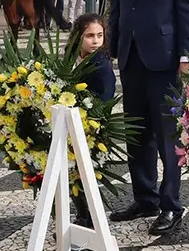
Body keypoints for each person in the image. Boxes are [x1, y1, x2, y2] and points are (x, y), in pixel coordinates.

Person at [106, 0, 189, 235]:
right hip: (130, 57)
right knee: (137, 134)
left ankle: (171, 204)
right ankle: (145, 197)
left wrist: (186, 54)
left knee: (167, 136)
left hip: (165, 58)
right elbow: (118, 4)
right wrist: (112, 45)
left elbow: (186, 6)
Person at [66, 12, 116, 229]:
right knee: (72, 172)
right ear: (78, 37)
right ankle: (81, 213)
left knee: (86, 174)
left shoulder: (102, 65)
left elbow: (106, 97)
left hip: (93, 127)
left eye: (99, 35)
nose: (95, 40)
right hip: (71, 125)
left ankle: (90, 218)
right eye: (89, 36)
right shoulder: (72, 59)